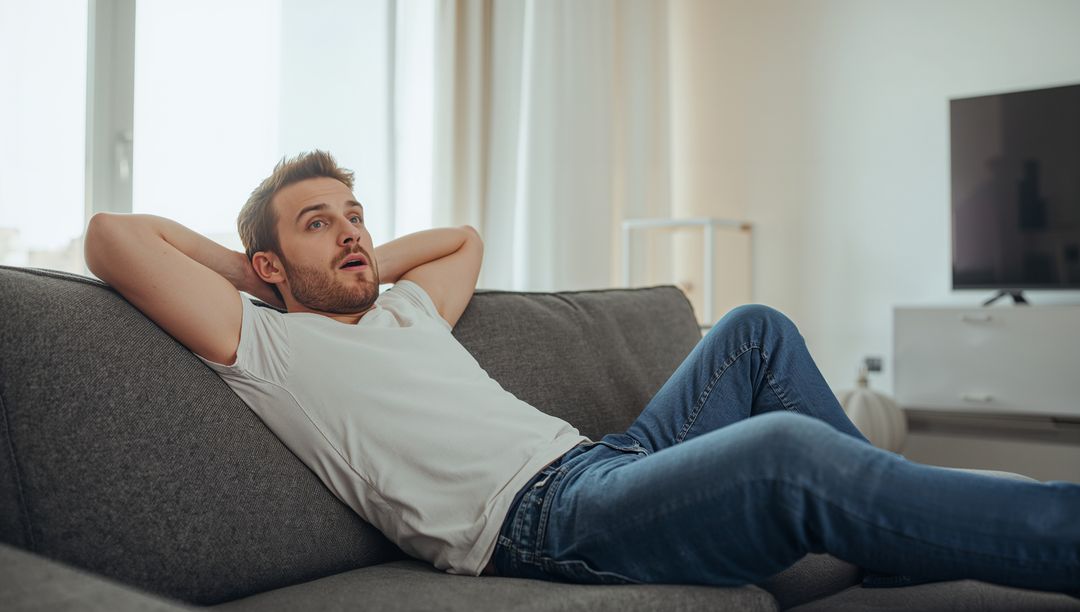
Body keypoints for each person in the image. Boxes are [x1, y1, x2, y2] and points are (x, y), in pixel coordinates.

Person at [84, 150, 1078, 594]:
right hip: (544, 523)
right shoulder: (266, 345)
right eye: (320, 222)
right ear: (266, 265)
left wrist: (351, 260)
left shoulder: (405, 309)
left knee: (753, 329)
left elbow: (463, 239)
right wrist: (262, 280)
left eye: (356, 214)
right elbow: (112, 238)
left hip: (605, 463)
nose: (352, 232)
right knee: (784, 453)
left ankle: (889, 540)